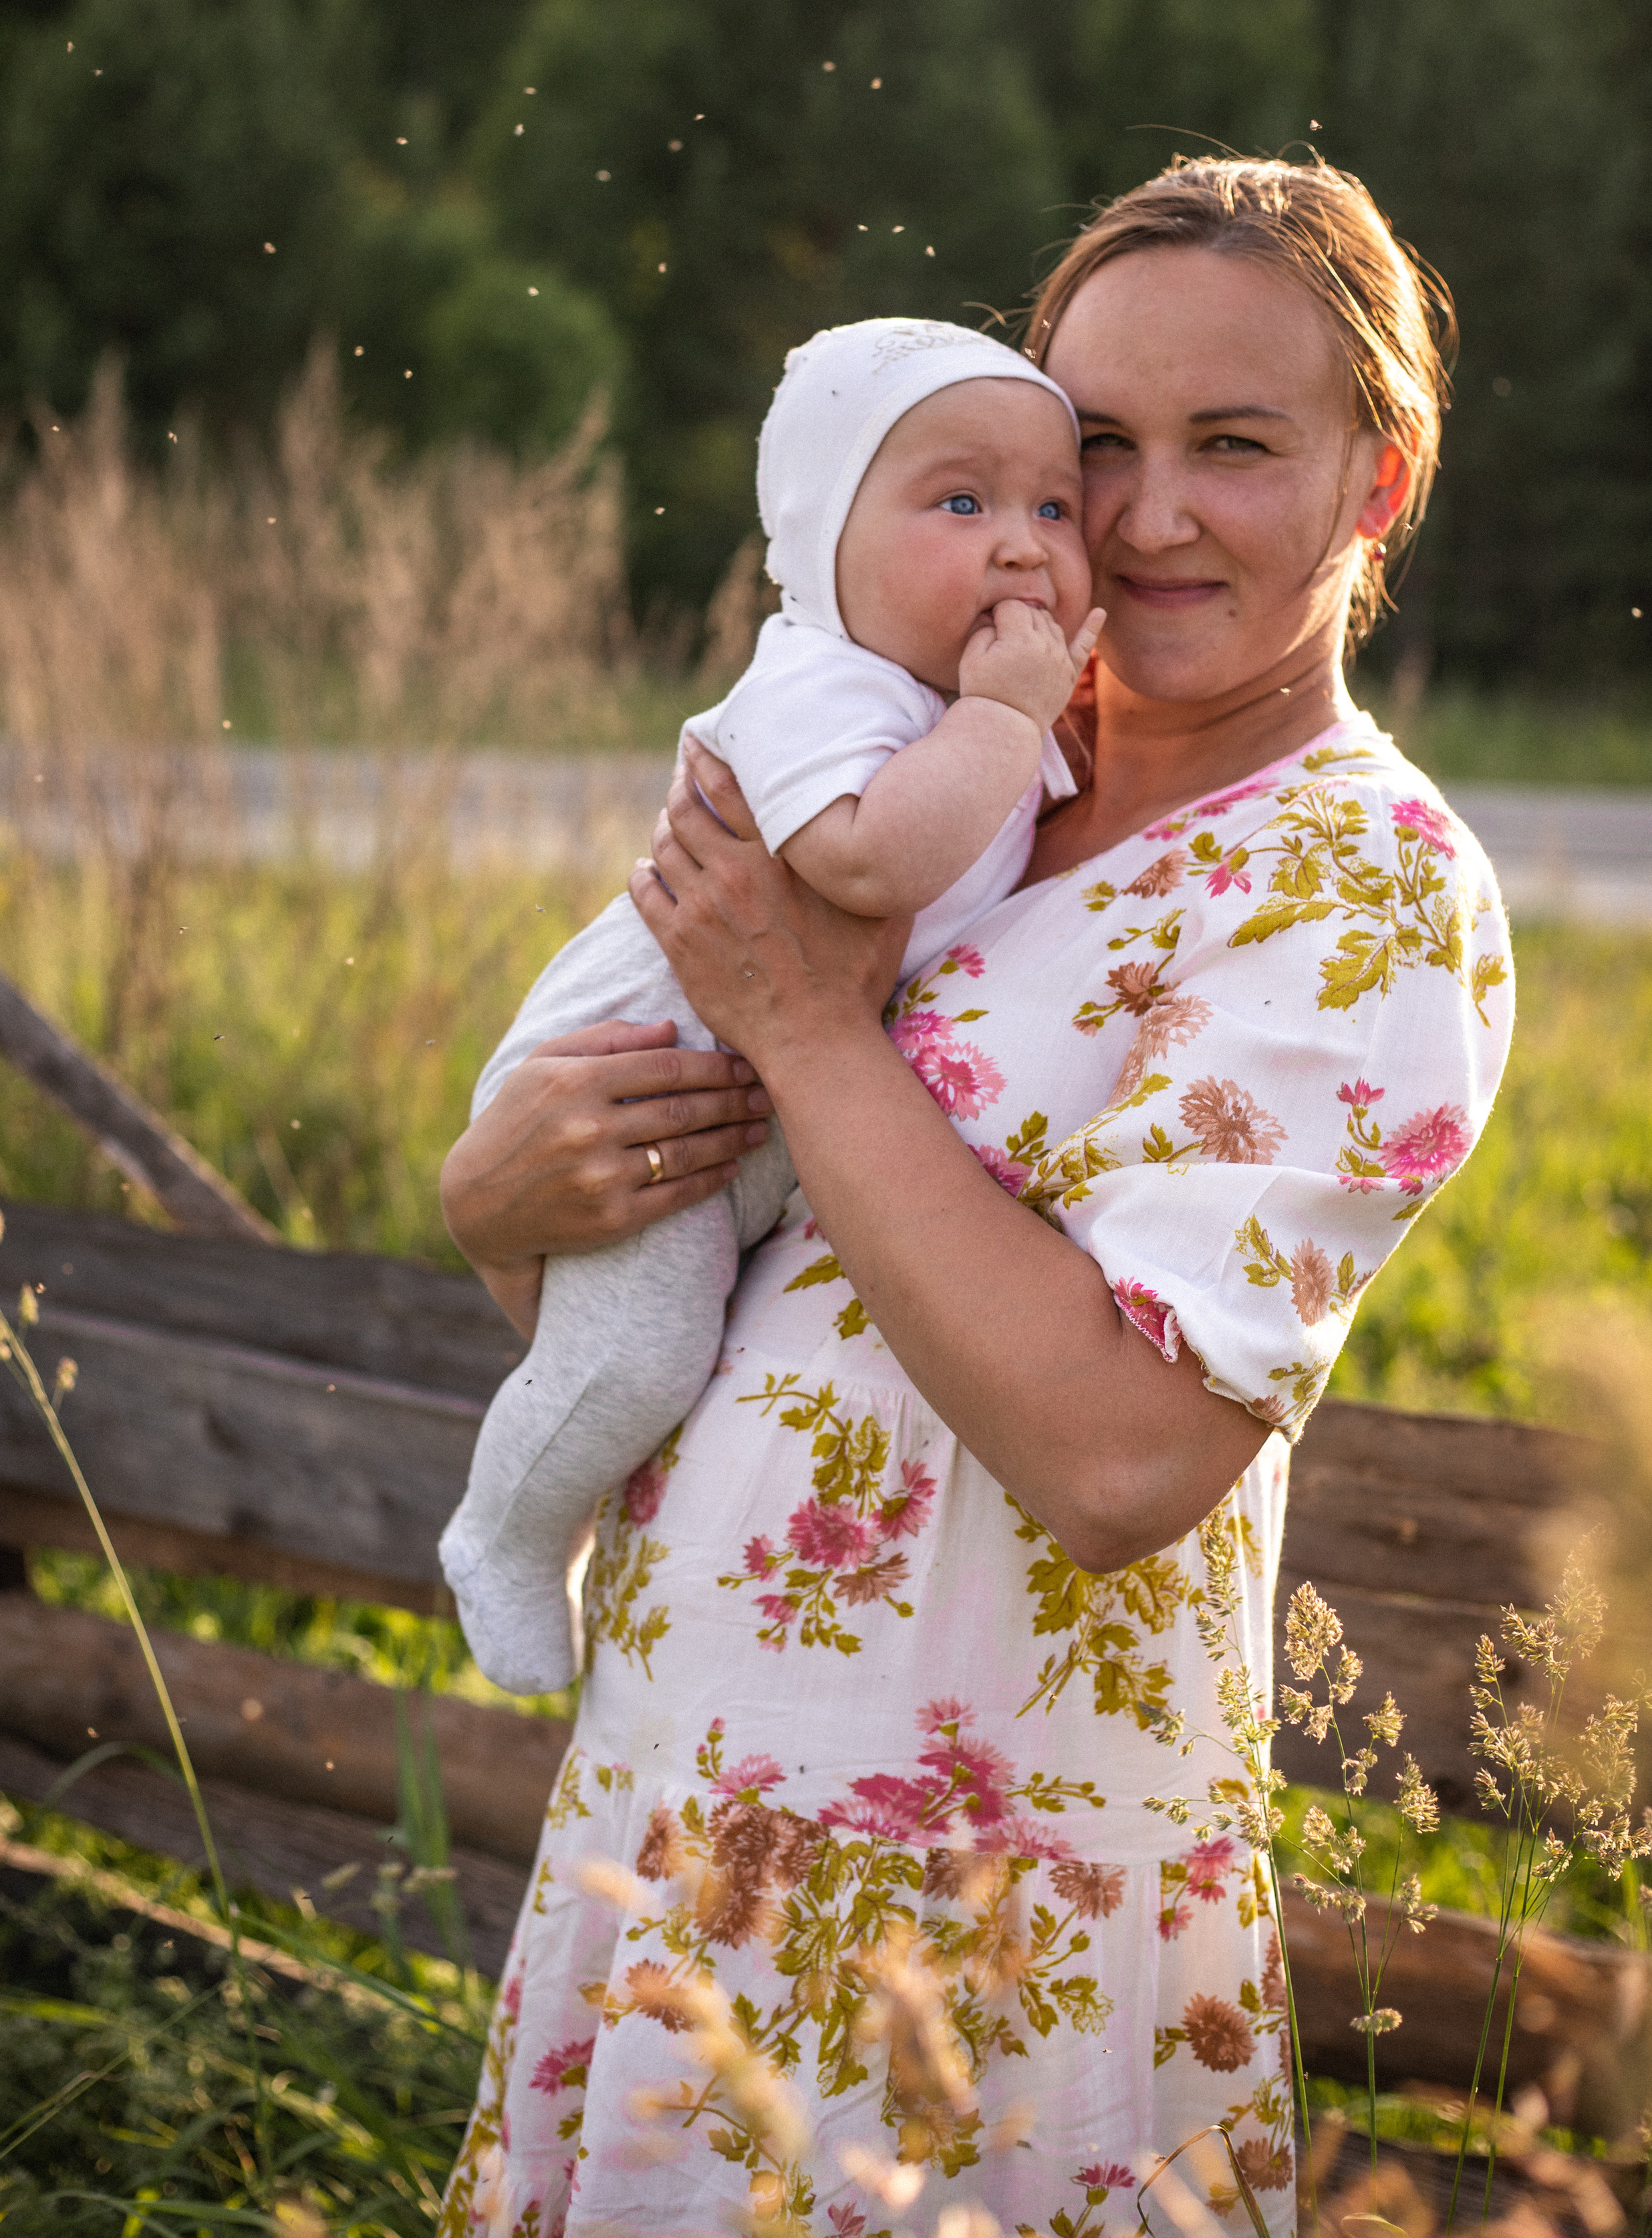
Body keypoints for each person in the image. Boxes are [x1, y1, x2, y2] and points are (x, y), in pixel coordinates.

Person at [436, 156, 1514, 2238]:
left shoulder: (1361, 889)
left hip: (992, 1884)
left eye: (1238, 446)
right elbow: (730, 1332)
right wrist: (501, 1196)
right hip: (701, 1791)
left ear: (1377, 485)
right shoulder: (941, 766)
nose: (1146, 516)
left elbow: (1119, 1463)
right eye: (1097, 446)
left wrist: (811, 1031)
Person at [440, 318, 1104, 1695]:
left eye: (1054, 504)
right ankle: (502, 1536)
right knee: (635, 1358)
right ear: (821, 540)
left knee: (683, 1346)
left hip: (760, 1105)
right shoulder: (824, 677)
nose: (1021, 543)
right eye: (960, 501)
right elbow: (863, 859)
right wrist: (1002, 723)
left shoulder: (948, 703)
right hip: (648, 1082)